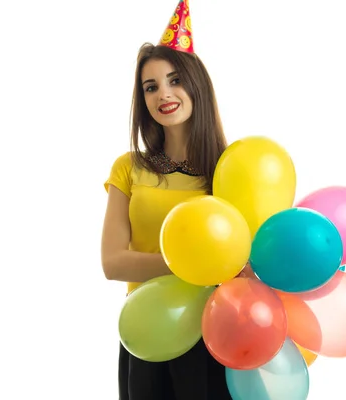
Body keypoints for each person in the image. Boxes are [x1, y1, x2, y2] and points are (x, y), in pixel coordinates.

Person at [101, 1, 251, 399]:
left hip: (212, 332)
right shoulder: (128, 169)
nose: (163, 94)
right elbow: (113, 262)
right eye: (150, 87)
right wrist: (191, 265)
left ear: (196, 85)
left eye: (174, 80)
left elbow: (246, 265)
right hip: (147, 329)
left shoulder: (229, 171)